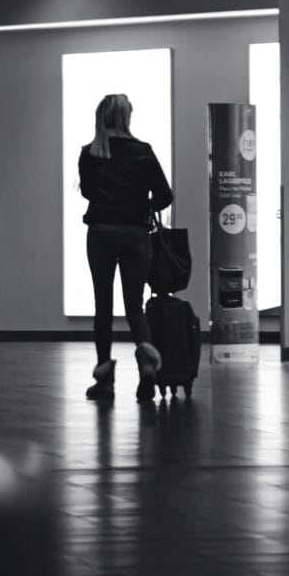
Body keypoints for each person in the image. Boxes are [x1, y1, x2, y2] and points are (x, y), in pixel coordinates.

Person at [78, 92, 172, 403]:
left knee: (102, 306)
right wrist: (141, 203)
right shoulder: (142, 152)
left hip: (101, 233)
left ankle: (104, 380)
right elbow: (164, 196)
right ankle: (146, 358)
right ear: (127, 117)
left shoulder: (89, 154)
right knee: (134, 305)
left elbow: (89, 191)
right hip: (136, 234)